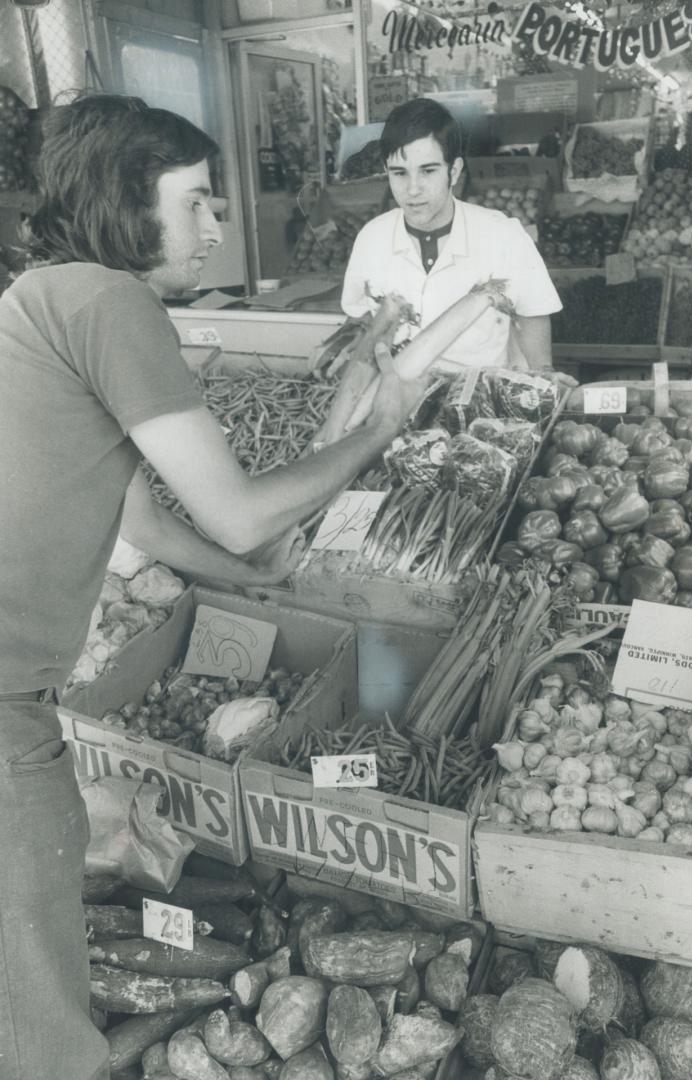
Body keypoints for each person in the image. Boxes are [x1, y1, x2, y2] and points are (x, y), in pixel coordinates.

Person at [0, 93, 423, 1080]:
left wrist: (252, 572)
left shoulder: (40, 296)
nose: (218, 225)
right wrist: (376, 427)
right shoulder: (112, 301)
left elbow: (140, 518)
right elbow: (231, 512)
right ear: (127, 204)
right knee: (34, 987)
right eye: (195, 202)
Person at [341, 97, 565, 380]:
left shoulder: (503, 235)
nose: (413, 189)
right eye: (400, 173)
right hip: (394, 406)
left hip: (479, 405)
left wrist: (542, 374)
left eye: (428, 171)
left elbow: (534, 313)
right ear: (386, 173)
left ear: (454, 171)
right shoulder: (371, 238)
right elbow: (359, 316)